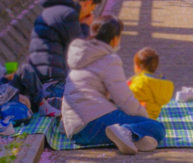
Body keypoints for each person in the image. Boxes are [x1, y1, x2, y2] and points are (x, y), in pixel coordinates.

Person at [62, 15, 165, 154]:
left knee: (127, 116)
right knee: (157, 127)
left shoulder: (80, 55)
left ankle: (131, 137)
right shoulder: (109, 59)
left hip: (74, 129)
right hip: (90, 126)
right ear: (115, 39)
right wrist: (143, 117)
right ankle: (126, 132)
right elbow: (124, 99)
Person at [28, 0, 102, 89]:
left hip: (39, 69)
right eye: (92, 10)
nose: (90, 14)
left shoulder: (53, 9)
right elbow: (80, 51)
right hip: (52, 74)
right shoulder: (69, 14)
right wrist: (85, 26)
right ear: (88, 3)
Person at [127, 47, 174, 120]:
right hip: (153, 117)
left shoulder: (141, 81)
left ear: (137, 67)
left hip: (138, 116)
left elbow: (126, 96)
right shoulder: (163, 82)